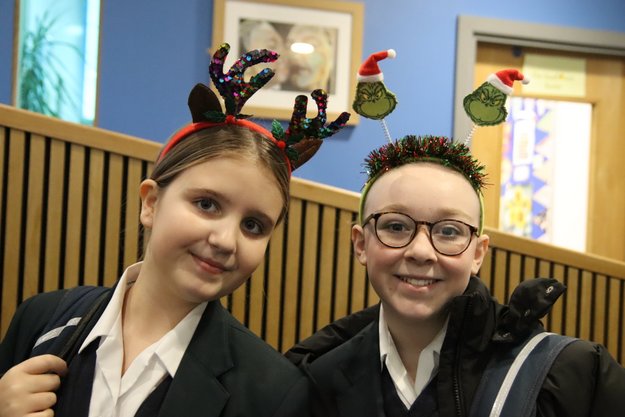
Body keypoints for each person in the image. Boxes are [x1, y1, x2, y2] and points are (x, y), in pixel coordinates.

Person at [0, 43, 349, 417]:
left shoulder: (273, 393)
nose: (225, 240)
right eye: (207, 204)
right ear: (151, 203)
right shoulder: (42, 320)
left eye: (253, 225)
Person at [285, 134, 625, 417]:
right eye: (396, 226)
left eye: (449, 231)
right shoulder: (315, 380)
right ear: (361, 244)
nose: (421, 251)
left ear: (478, 253)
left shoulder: (567, 374)